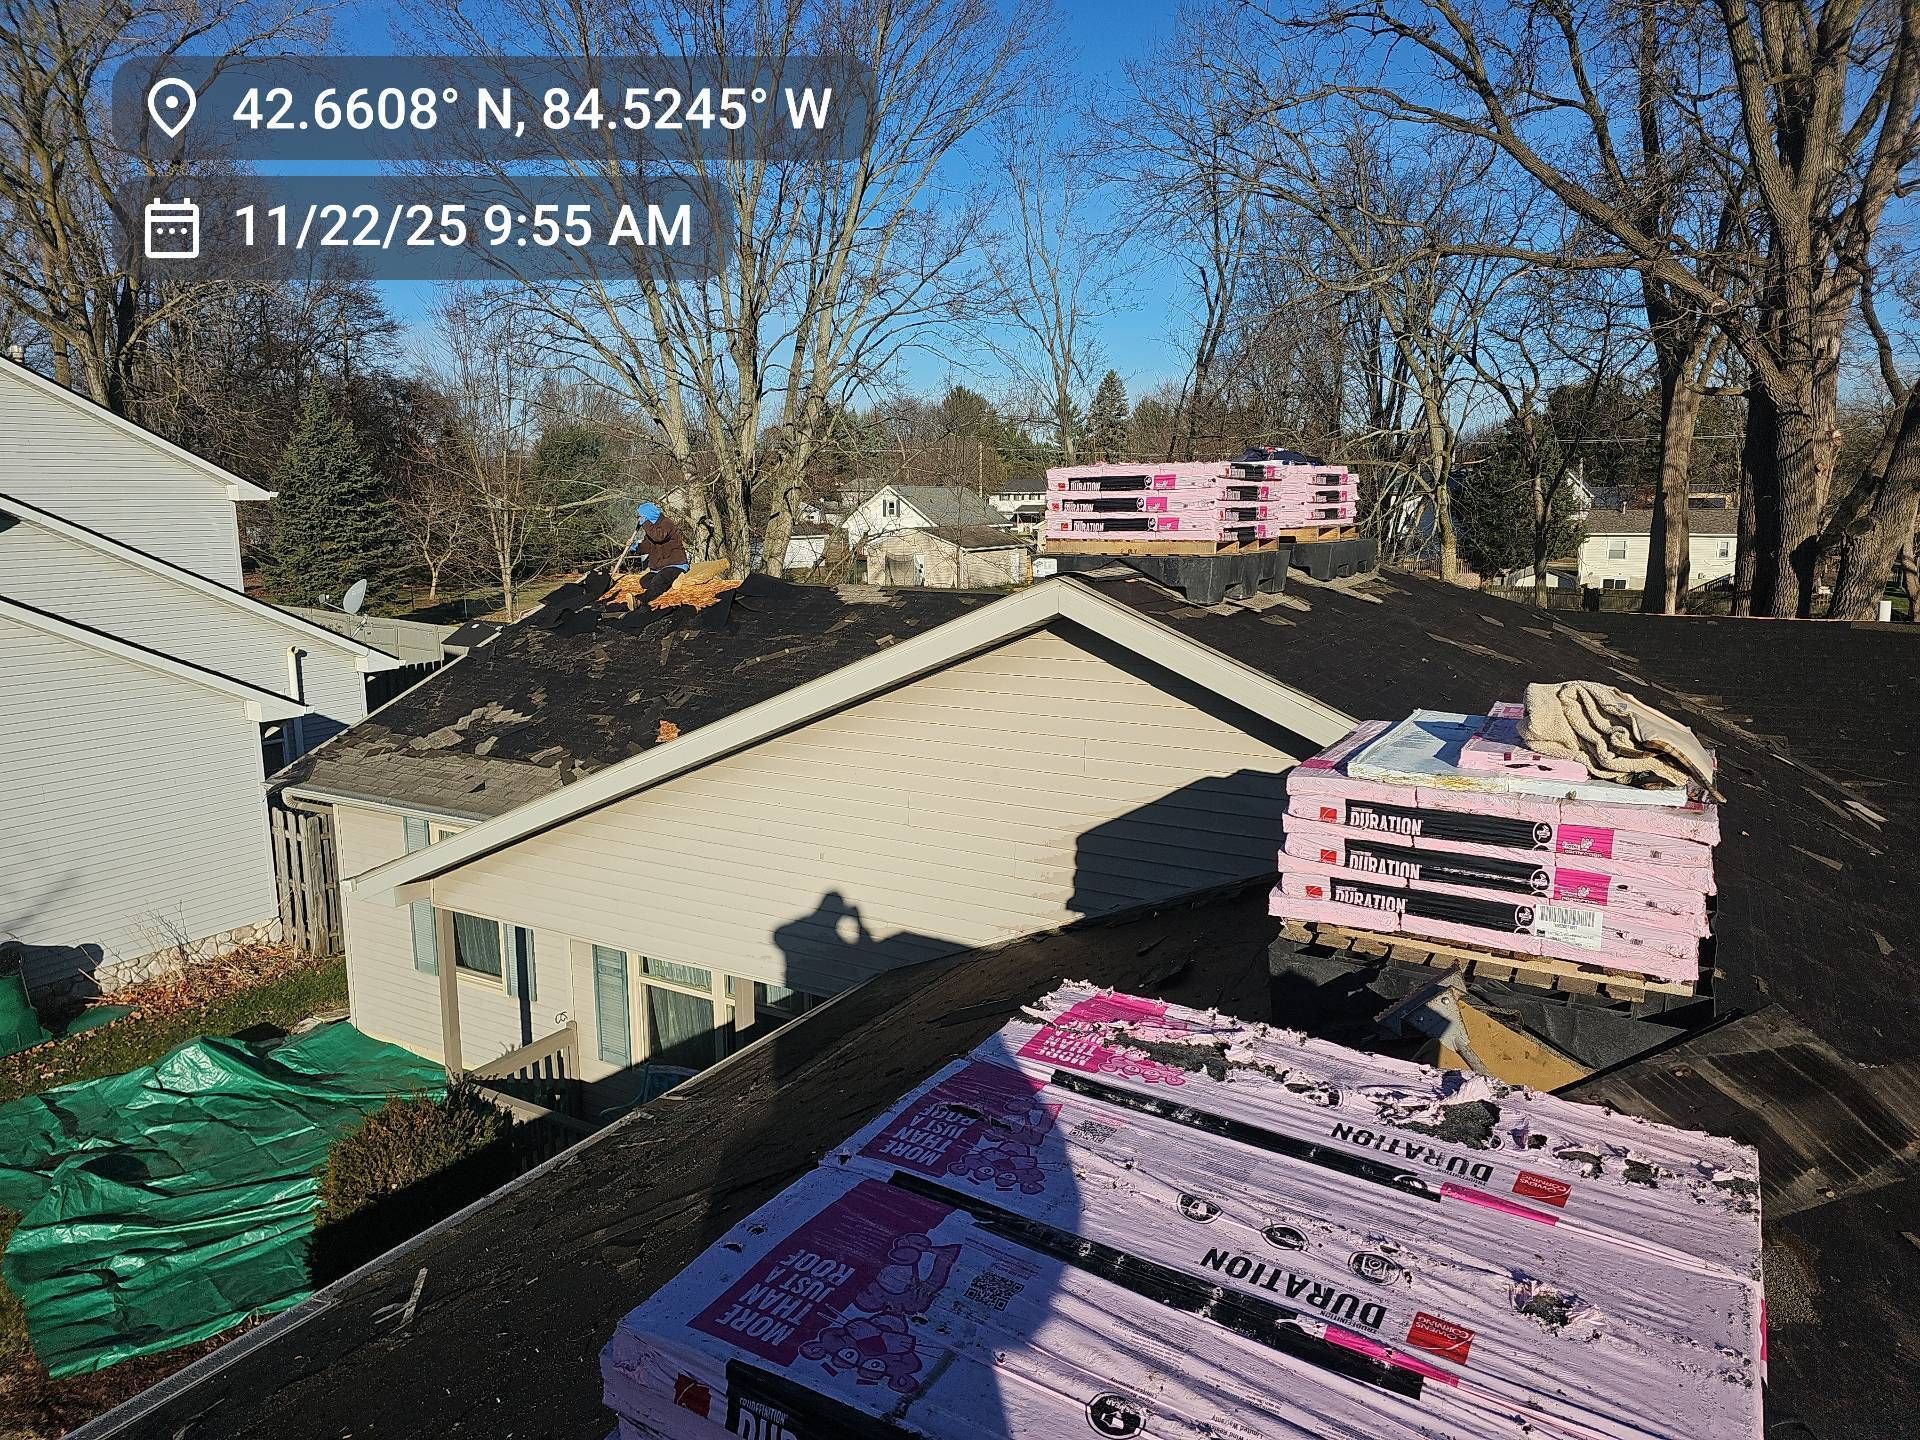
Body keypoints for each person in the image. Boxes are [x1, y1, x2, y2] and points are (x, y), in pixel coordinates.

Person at [621, 502, 690, 575]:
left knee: (658, 583)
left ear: (647, 514)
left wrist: (646, 523)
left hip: (674, 564)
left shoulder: (666, 523)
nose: (639, 518)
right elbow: (647, 547)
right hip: (659, 569)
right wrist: (634, 546)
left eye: (640, 516)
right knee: (645, 581)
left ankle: (678, 579)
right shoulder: (651, 530)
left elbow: (659, 537)